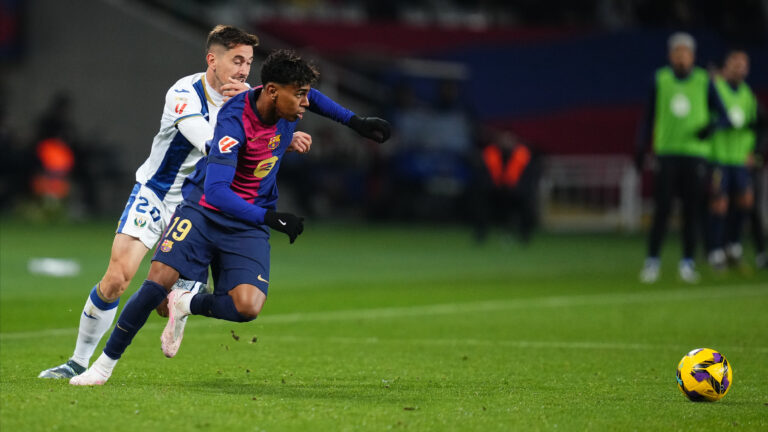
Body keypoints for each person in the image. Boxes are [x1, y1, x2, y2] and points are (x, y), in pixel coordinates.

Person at [39, 25, 366, 380]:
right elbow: (213, 144)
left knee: (165, 304)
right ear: (213, 60)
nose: (243, 70)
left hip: (206, 201)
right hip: (160, 193)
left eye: (248, 62)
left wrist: (350, 122)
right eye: (236, 60)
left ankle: (181, 307)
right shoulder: (185, 93)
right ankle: (78, 361)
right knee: (119, 278)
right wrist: (271, 137)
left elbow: (304, 98)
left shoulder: (251, 97)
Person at [635, 32, 731, 284]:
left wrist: (710, 127)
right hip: (666, 153)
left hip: (695, 155)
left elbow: (724, 115)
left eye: (685, 52)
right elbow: (648, 117)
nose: (681, 56)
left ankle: (687, 262)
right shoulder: (660, 79)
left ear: (692, 56)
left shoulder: (703, 80)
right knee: (662, 210)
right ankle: (652, 261)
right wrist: (640, 146)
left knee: (692, 211)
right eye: (676, 52)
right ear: (670, 55)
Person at [706, 50, 764, 269]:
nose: (739, 68)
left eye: (743, 65)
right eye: (735, 64)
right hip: (718, 156)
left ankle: (734, 246)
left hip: (740, 159)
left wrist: (753, 152)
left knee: (746, 202)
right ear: (726, 66)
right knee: (719, 204)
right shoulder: (715, 89)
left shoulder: (748, 94)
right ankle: (715, 251)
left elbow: (752, 126)